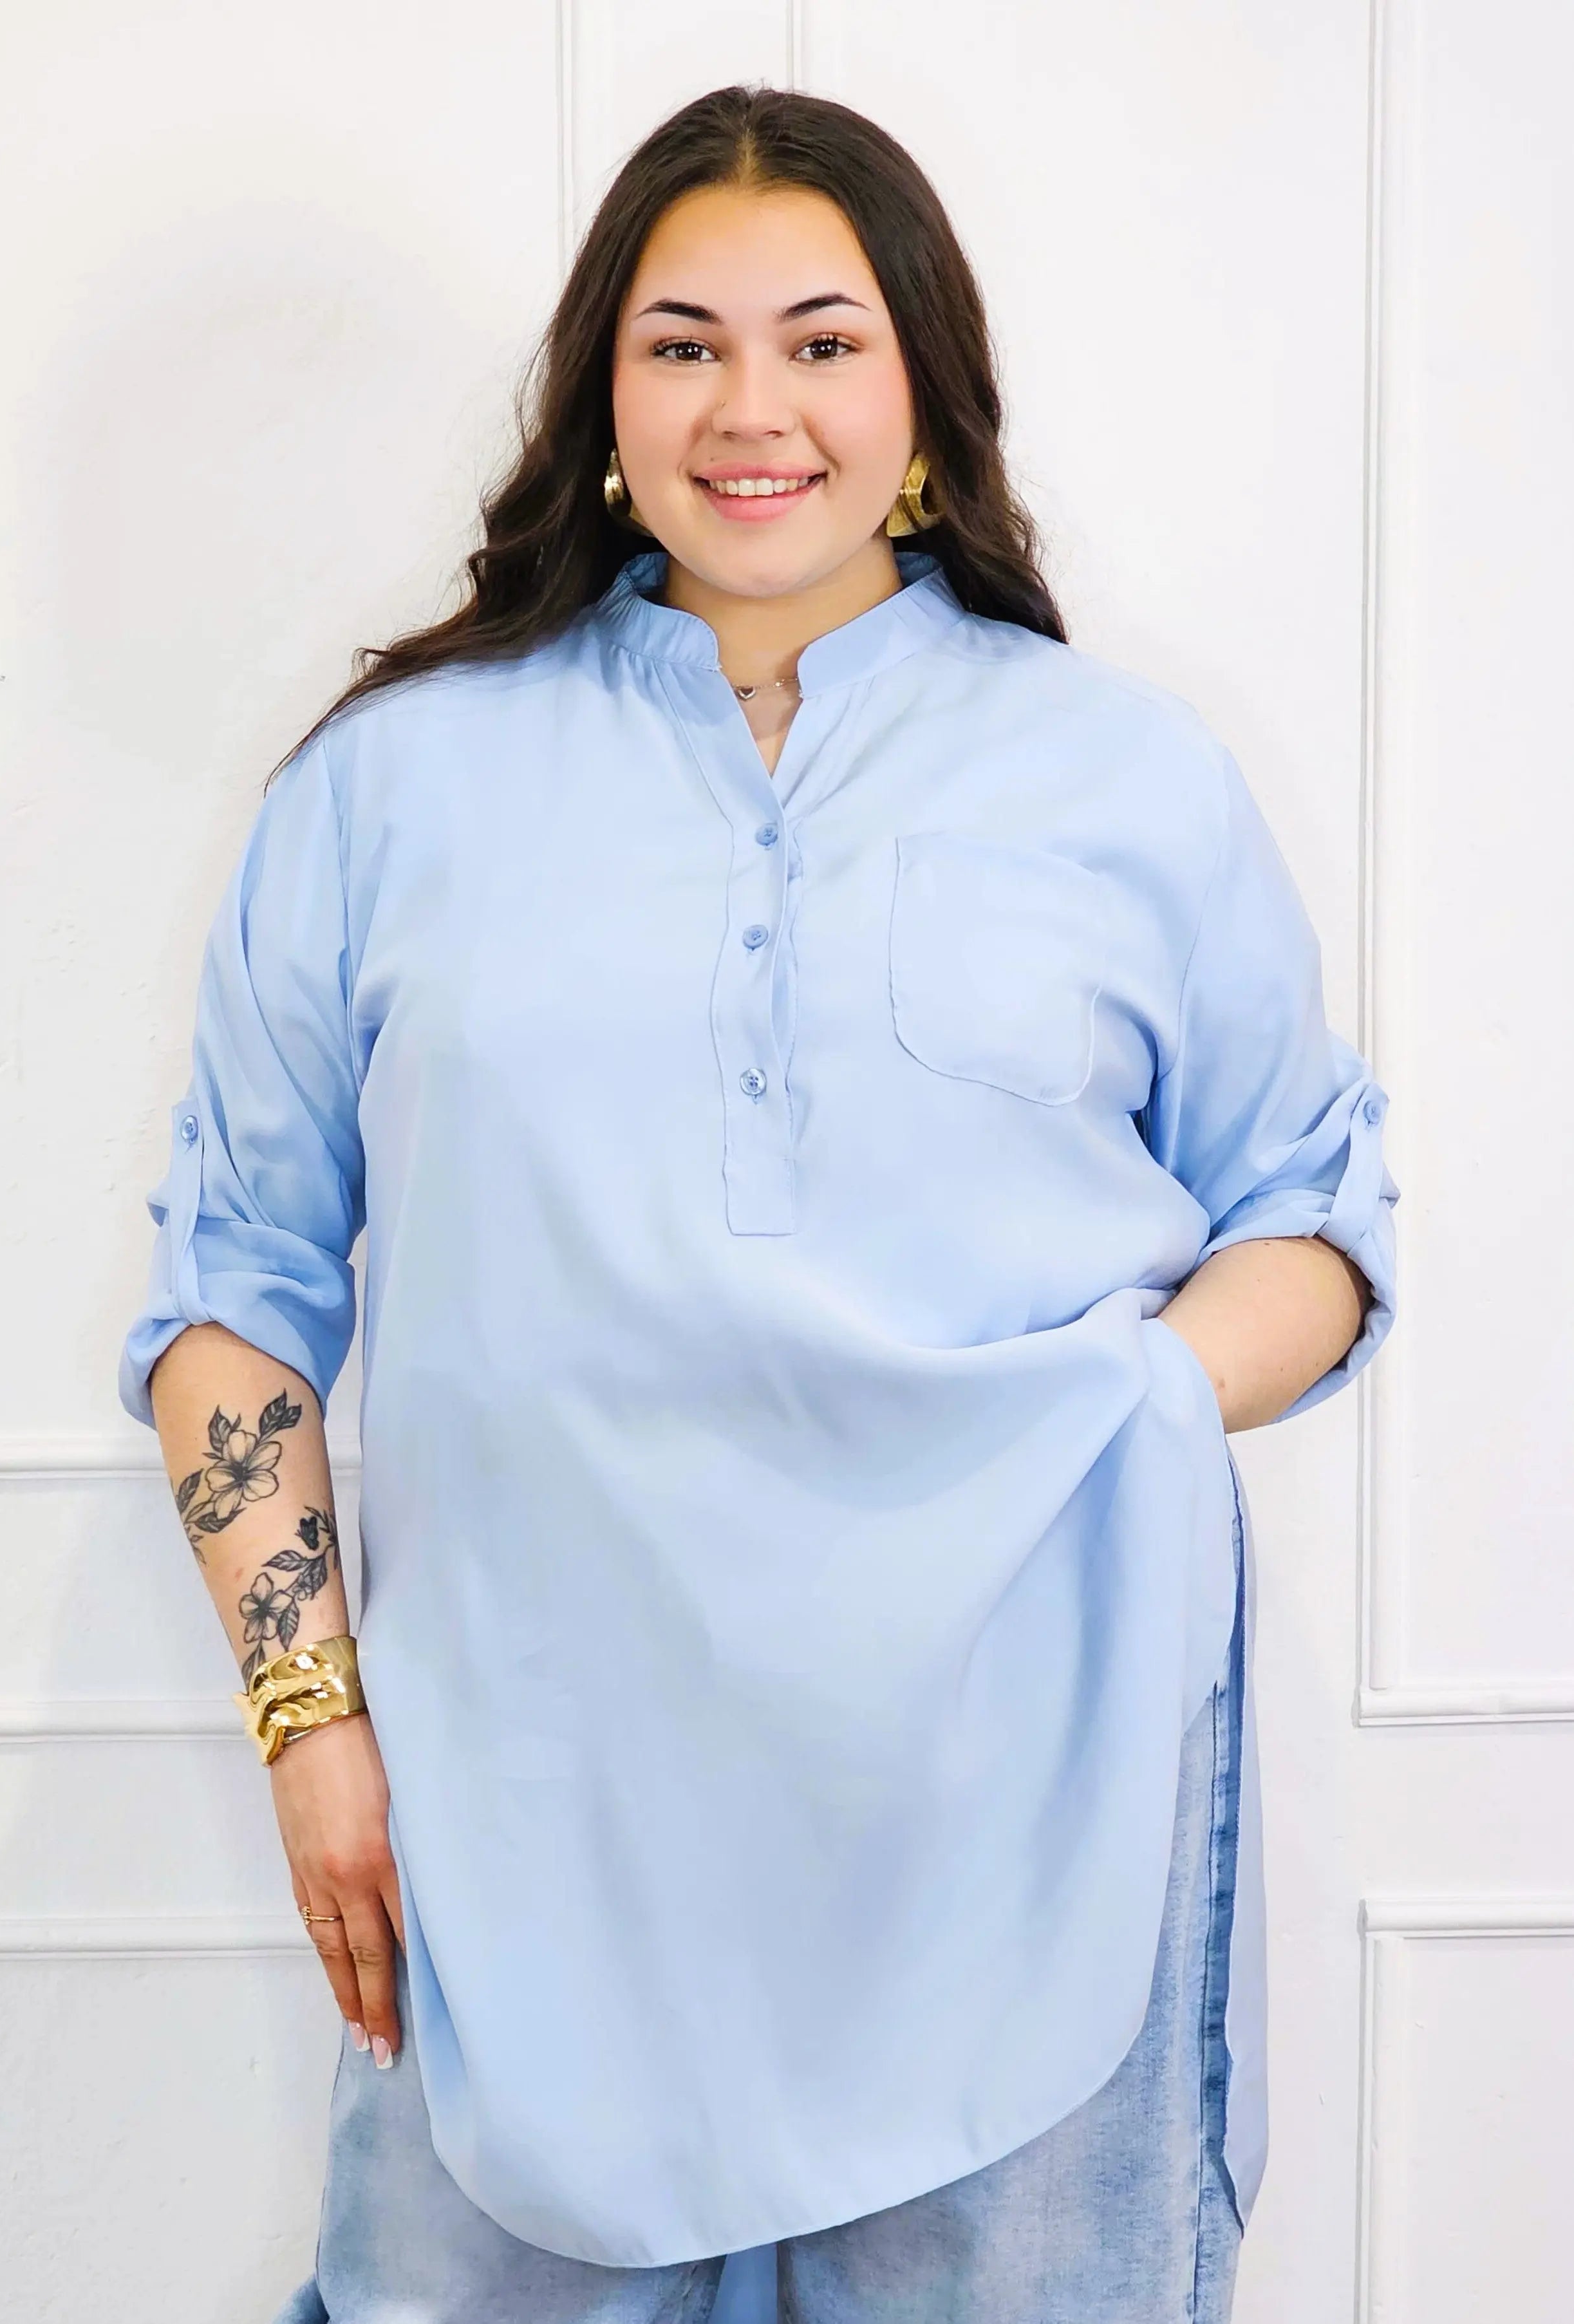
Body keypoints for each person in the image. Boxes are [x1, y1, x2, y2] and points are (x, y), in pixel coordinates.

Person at [119, 82, 1396, 2324]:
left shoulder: (1121, 776)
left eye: (820, 341)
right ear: (599, 399)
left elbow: (1310, 1216)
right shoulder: (386, 788)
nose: (750, 409)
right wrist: (314, 1727)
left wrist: (1118, 1408)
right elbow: (236, 1286)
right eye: (681, 344)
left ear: (919, 388)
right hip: (527, 1840)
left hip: (1026, 1809)